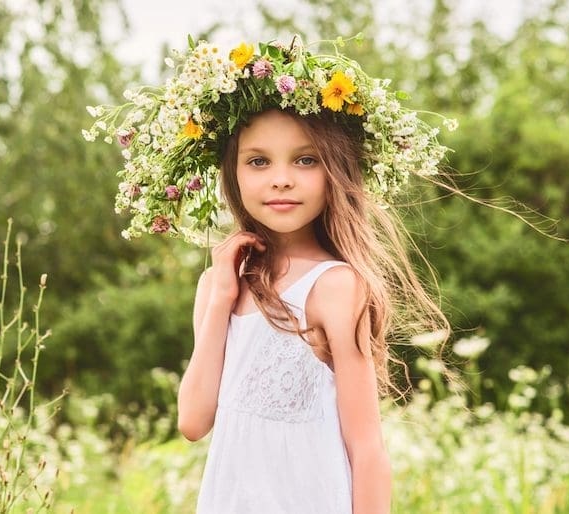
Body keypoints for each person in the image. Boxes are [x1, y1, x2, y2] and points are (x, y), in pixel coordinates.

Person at [85, 35, 454, 513]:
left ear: (335, 172)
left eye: (305, 160)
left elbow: (367, 449)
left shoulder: (334, 287)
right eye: (258, 161)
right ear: (232, 174)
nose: (281, 178)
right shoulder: (217, 287)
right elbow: (193, 422)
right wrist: (220, 296)